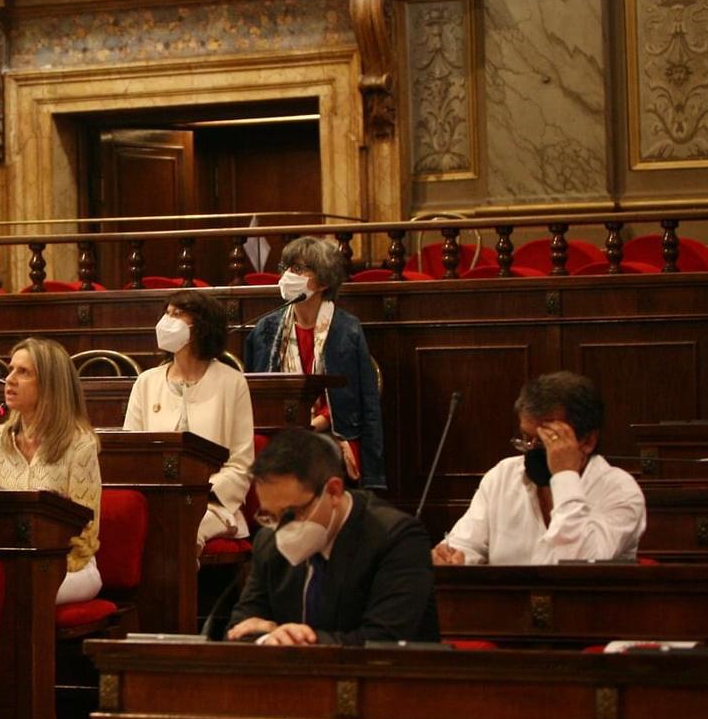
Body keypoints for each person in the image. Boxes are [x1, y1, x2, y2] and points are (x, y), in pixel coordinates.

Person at [225, 428, 438, 646]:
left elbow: (384, 642)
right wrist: (268, 638)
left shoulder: (397, 539)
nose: (280, 528)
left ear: (333, 491)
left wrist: (292, 640)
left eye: (290, 514)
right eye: (269, 515)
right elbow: (240, 628)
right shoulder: (268, 542)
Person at [433, 372, 646, 566]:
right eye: (526, 438)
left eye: (548, 440)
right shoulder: (503, 476)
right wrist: (452, 557)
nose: (531, 450)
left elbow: (579, 566)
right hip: (509, 606)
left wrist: (564, 477)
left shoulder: (620, 491)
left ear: (588, 441)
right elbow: (466, 544)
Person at [243, 236, 386, 491]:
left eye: (298, 269)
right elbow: (256, 392)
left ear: (323, 281)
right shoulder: (267, 328)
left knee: (309, 456)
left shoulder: (346, 329)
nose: (288, 275)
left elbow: (357, 396)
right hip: (279, 427)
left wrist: (316, 423)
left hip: (332, 428)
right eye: (286, 268)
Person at [124, 289, 254, 550]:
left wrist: (198, 494)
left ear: (200, 326)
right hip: (155, 500)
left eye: (178, 314)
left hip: (213, 503)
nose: (166, 321)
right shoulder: (146, 382)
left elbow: (241, 463)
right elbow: (131, 453)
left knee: (184, 531)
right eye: (166, 313)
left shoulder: (232, 382)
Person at [0, 337, 103, 605]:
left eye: (23, 372)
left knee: (24, 591)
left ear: (50, 384)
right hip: (12, 563)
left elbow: (86, 531)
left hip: (72, 567)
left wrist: (40, 569)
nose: (9, 379)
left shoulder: (79, 444)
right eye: (10, 370)